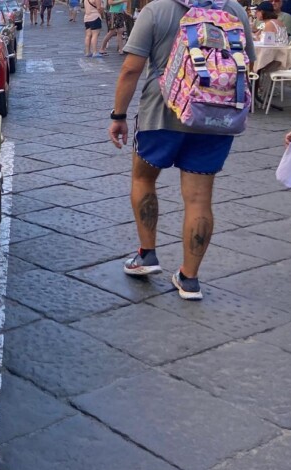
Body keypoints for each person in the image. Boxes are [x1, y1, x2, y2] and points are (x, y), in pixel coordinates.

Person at [108, 0, 255, 300]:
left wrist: (118, 115)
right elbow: (248, 60)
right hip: (214, 117)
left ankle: (147, 255)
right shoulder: (235, 10)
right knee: (200, 198)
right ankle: (189, 279)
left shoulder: (157, 10)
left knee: (143, 179)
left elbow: (130, 69)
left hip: (160, 116)